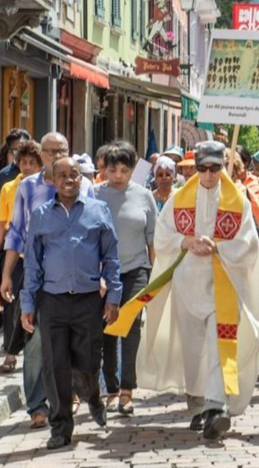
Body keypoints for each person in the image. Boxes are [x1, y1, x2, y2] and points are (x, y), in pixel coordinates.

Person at [106, 140, 259, 440]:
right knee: (193, 350)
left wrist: (219, 246)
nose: (208, 175)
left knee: (220, 344)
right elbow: (163, 236)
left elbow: (248, 243)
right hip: (187, 285)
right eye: (202, 169)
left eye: (215, 168)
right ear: (195, 168)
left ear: (220, 167)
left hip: (224, 285)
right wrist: (187, 241)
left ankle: (217, 408)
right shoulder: (179, 199)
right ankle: (198, 404)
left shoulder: (237, 200)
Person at [20, 157, 120, 450]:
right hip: (51, 302)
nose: (68, 179)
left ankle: (92, 395)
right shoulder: (40, 215)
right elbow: (33, 266)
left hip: (88, 300)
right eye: (61, 174)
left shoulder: (98, 211)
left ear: (81, 178)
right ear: (52, 179)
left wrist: (113, 296)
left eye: (73, 174)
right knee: (55, 365)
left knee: (88, 361)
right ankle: (61, 426)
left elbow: (111, 258)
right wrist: (28, 304)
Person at [1, 132, 92, 429]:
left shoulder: (85, 185)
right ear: (42, 155)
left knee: (70, 338)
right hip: (35, 273)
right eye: (50, 151)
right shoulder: (27, 187)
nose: (54, 155)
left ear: (70, 150)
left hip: (75, 274)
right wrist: (6, 274)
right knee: (36, 340)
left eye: (61, 149)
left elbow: (95, 230)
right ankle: (37, 406)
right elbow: (15, 233)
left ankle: (66, 394)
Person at [95, 142, 157, 416]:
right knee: (107, 328)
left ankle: (127, 391)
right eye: (113, 169)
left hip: (136, 269)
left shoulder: (144, 196)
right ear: (104, 169)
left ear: (133, 170)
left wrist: (155, 274)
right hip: (103, 272)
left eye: (124, 170)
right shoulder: (95, 195)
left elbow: (152, 240)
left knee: (130, 326)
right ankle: (111, 388)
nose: (118, 175)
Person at [0, 140, 42, 374]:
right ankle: (12, 352)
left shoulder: (48, 187)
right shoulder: (9, 188)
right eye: (23, 162)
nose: (27, 167)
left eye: (32, 163)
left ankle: (19, 352)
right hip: (17, 254)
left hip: (41, 259)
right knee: (14, 305)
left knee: (27, 306)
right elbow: (6, 225)